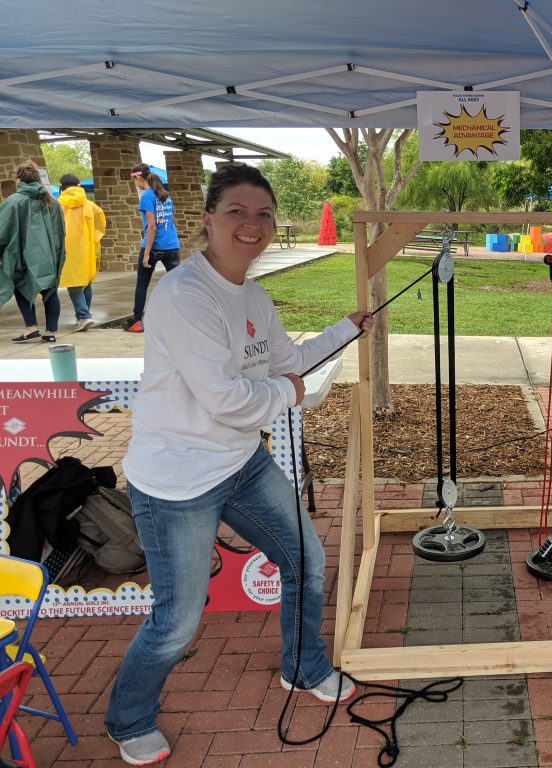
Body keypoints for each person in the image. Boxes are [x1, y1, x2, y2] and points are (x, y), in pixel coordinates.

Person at [105, 163, 373, 765]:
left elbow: (286, 358)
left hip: (241, 463)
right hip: (177, 482)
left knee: (304, 558)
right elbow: (229, 400)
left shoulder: (251, 293)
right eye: (237, 212)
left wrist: (346, 329)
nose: (252, 225)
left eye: (263, 214)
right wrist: (290, 393)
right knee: (177, 619)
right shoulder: (182, 295)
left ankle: (302, 669)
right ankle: (127, 718)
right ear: (207, 220)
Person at [0, 162, 65, 343]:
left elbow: (2, 230)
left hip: (22, 257)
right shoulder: (53, 203)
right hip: (49, 256)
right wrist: (57, 256)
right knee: (50, 292)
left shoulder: (13, 202)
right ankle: (50, 332)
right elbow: (60, 233)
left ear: (19, 179)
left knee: (21, 289)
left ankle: (31, 327)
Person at [123, 163, 180, 333]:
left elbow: (152, 227)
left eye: (133, 180)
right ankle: (185, 318)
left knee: (142, 284)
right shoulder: (165, 195)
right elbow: (172, 221)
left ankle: (136, 320)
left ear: (138, 178)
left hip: (154, 247)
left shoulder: (147, 197)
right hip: (172, 246)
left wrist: (147, 253)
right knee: (178, 284)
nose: (135, 184)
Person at [58, 173, 106, 332]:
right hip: (87, 249)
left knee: (74, 283)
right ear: (78, 185)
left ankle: (84, 315)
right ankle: (82, 316)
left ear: (62, 187)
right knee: (86, 281)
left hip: (67, 250)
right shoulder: (90, 205)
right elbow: (100, 224)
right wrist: (94, 239)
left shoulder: (58, 205)